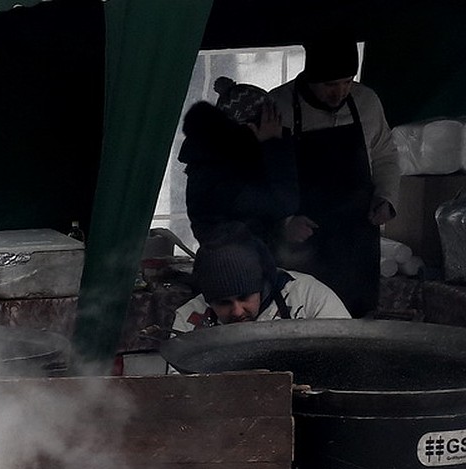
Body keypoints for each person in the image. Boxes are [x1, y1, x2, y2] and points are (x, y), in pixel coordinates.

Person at [267, 36, 401, 317]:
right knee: (303, 315)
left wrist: (386, 197)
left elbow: (385, 154)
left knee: (358, 317)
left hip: (356, 236)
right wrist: (284, 221)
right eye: (330, 85)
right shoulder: (278, 106)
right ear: (309, 77)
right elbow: (260, 174)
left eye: (347, 82)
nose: (339, 92)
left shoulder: (366, 101)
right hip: (301, 243)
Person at [178, 77, 302, 248]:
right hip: (236, 264)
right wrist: (273, 144)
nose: (279, 130)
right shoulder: (218, 171)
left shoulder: (215, 160)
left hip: (241, 258)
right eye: (271, 123)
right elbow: (283, 203)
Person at [172, 224, 351, 333]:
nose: (237, 311)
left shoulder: (309, 296)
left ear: (262, 284)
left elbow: (349, 352)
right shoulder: (189, 320)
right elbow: (179, 388)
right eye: (223, 303)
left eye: (244, 298)